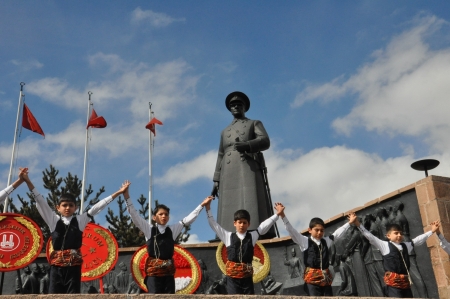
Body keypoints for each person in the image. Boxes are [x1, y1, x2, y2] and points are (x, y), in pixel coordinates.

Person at [20, 171, 130, 294]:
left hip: (73, 266)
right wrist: (28, 181)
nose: (67, 208)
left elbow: (98, 206)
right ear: (58, 207)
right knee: (54, 294)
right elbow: (40, 201)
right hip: (56, 267)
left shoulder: (80, 220)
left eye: (71, 205)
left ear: (75, 208)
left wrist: (118, 193)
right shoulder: (53, 220)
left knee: (73, 294)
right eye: (64, 205)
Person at [211, 91, 276, 239]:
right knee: (228, 202)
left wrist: (247, 145)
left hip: (247, 166)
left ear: (244, 107)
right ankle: (227, 232)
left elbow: (265, 141)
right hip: (228, 170)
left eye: (238, 104)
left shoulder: (253, 123)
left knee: (250, 198)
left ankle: (254, 230)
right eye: (232, 105)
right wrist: (216, 179)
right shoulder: (225, 131)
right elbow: (220, 154)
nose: (235, 107)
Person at [124, 184, 209, 294]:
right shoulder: (149, 229)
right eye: (161, 214)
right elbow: (135, 216)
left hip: (168, 272)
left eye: (166, 214)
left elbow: (188, 219)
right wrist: (127, 197)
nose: (164, 216)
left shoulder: (172, 230)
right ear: (154, 217)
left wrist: (202, 205)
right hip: (153, 273)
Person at [348, 212, 439, 298]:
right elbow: (370, 236)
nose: (399, 235)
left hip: (405, 283)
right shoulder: (384, 245)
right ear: (388, 236)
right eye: (396, 233)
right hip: (393, 285)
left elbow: (418, 240)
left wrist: (432, 231)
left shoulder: (406, 246)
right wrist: (357, 223)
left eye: (400, 233)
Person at [203, 196, 280, 294]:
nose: (242, 225)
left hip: (247, 278)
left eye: (244, 222)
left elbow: (263, 226)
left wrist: (277, 214)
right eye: (239, 222)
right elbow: (214, 225)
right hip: (232, 279)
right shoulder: (228, 236)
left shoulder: (252, 236)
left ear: (249, 224)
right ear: (234, 223)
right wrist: (208, 208)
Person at [276, 202, 351, 296]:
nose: (319, 233)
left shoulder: (326, 241)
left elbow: (337, 233)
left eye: (322, 230)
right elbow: (292, 231)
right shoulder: (304, 241)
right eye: (317, 230)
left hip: (326, 278)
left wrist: (350, 223)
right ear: (310, 230)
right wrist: (283, 216)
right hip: (311, 280)